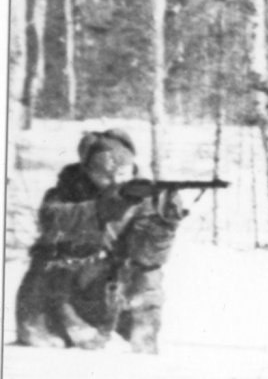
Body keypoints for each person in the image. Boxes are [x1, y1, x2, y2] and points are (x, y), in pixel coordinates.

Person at [13, 129, 182, 351]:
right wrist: (104, 208)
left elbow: (147, 257)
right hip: (65, 296)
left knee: (147, 277)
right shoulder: (64, 194)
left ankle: (140, 333)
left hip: (117, 292)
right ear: (87, 172)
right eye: (104, 175)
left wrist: (164, 226)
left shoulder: (148, 198)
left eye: (122, 173)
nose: (114, 180)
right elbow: (52, 220)